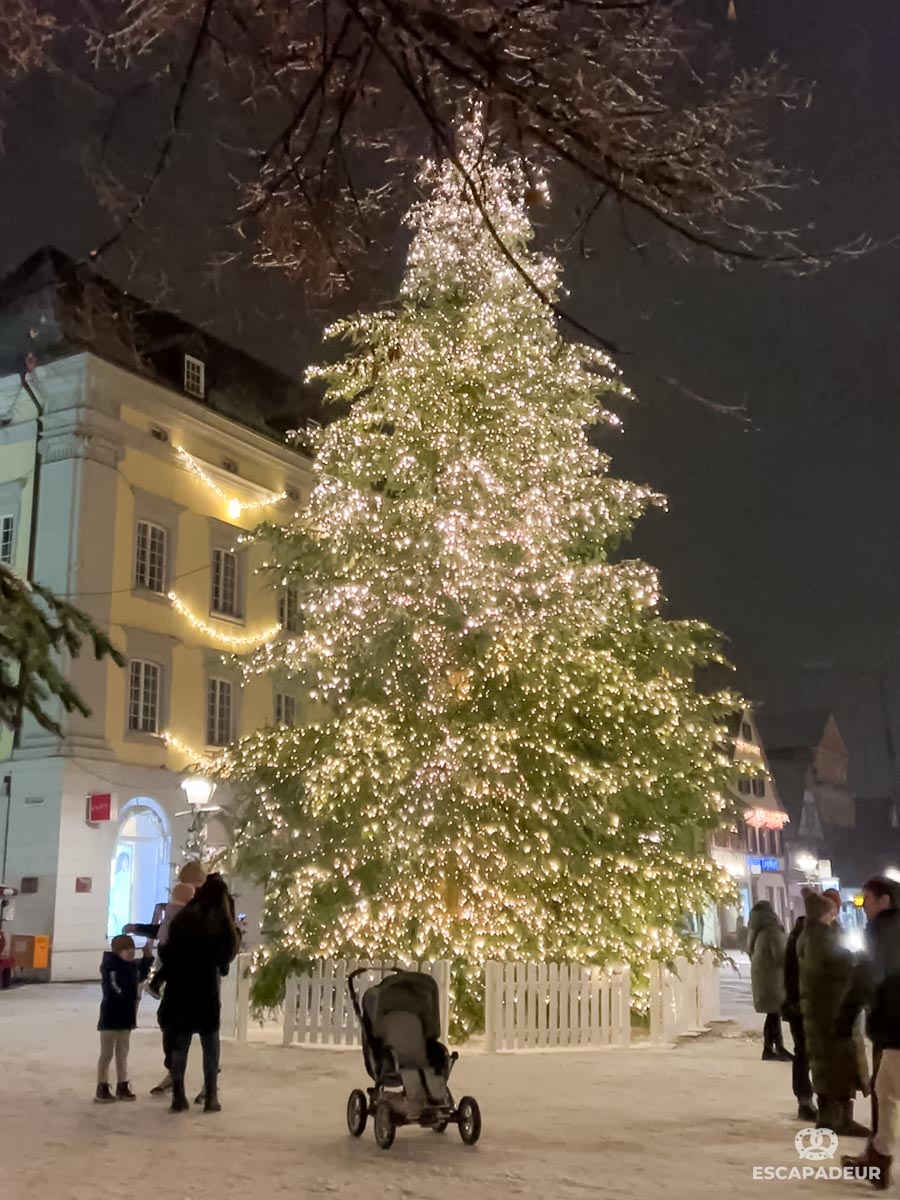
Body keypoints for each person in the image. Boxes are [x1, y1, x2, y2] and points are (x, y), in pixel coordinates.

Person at [157, 873, 240, 1114]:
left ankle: (178, 1096)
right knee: (210, 1044)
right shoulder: (220, 921)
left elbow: (167, 952)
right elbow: (225, 956)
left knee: (179, 1043)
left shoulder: (184, 917)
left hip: (179, 988)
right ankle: (211, 1097)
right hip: (206, 989)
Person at [840, 877, 900, 1187]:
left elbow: (867, 975)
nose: (864, 908)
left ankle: (879, 1160)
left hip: (895, 1025)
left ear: (885, 901)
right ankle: (877, 1158)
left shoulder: (882, 930)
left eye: (867, 901)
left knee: (887, 1093)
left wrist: (846, 1013)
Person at [798, 888, 869, 1137]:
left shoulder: (809, 936)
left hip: (820, 1011)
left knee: (827, 1065)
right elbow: (834, 969)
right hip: (830, 1010)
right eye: (831, 911)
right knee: (838, 1064)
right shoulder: (821, 938)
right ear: (826, 913)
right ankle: (839, 1119)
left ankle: (830, 1117)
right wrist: (855, 959)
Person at [95, 934, 154, 1103]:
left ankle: (122, 1085)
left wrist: (148, 957)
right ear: (117, 951)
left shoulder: (131, 966)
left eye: (131, 949)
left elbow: (141, 975)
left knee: (122, 1053)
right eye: (125, 950)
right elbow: (113, 988)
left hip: (126, 1017)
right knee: (106, 1053)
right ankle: (102, 1086)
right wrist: (130, 997)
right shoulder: (110, 967)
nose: (129, 953)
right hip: (111, 1016)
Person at [748, 899, 792, 1061]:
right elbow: (781, 955)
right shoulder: (771, 930)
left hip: (762, 976)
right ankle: (773, 1048)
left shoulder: (754, 929)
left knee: (773, 1013)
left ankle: (773, 1047)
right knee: (774, 1012)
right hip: (773, 977)